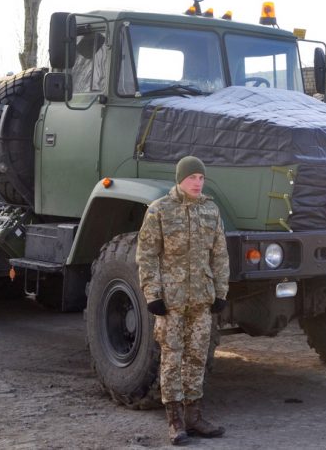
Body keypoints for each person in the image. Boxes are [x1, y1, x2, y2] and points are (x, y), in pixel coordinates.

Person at [137, 156, 230, 445]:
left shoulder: (211, 211)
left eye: (201, 178)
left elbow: (220, 255)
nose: (198, 183)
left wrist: (221, 292)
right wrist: (153, 295)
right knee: (172, 358)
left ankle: (194, 416)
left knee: (196, 359)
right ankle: (175, 420)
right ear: (180, 179)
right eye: (192, 178)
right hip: (172, 301)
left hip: (201, 299)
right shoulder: (159, 210)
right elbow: (147, 255)